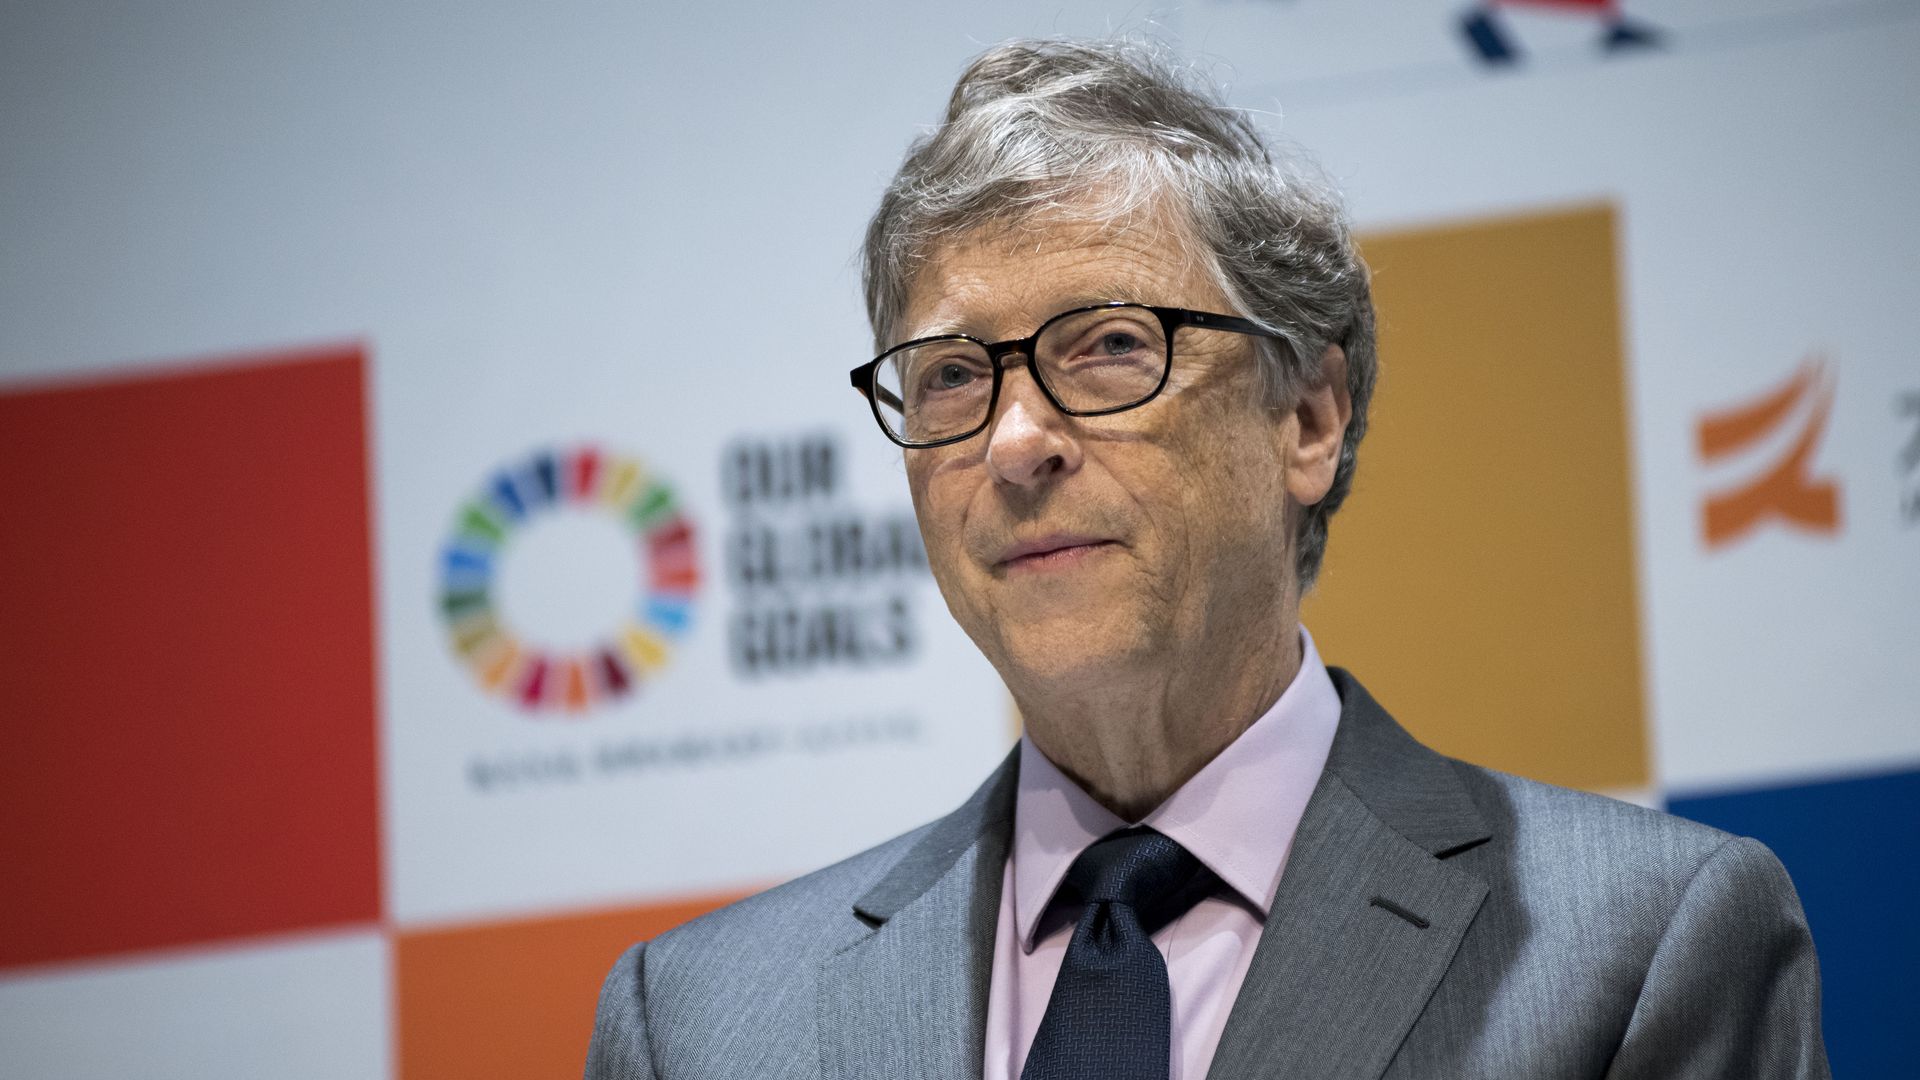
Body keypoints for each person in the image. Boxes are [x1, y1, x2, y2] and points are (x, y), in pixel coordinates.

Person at [587, 38, 1827, 1080]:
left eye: (1110, 346)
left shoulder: (1644, 947)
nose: (1016, 441)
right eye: (954, 375)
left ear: (1307, 418)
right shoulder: (698, 1023)